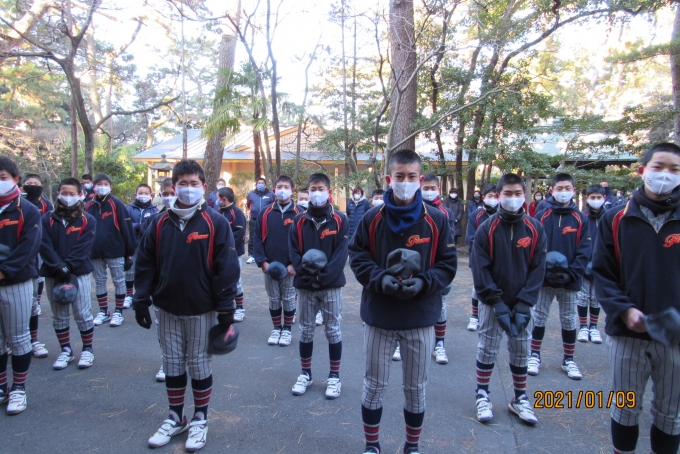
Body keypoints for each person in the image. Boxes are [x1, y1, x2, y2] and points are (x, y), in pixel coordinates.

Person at [349, 149, 457, 454]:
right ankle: (372, 445)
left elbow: (447, 264)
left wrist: (424, 282)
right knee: (374, 385)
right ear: (389, 179)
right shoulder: (372, 218)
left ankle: (412, 446)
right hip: (380, 316)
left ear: (420, 180)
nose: (406, 182)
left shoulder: (437, 220)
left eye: (411, 176)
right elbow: (357, 256)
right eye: (400, 176)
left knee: (415, 388)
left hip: (419, 317)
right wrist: (378, 279)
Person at [133, 159, 240, 451]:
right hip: (167, 307)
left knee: (199, 363)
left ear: (204, 187)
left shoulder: (215, 222)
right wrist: (141, 300)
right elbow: (145, 264)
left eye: (194, 184)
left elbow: (227, 268)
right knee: (172, 363)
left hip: (202, 308)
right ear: (174, 186)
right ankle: (176, 417)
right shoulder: (158, 223)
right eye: (183, 184)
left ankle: (200, 418)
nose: (188, 189)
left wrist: (226, 310)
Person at [593, 142, 680, 454]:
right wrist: (625, 310)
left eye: (674, 169)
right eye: (658, 167)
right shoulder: (615, 219)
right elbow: (602, 272)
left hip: (675, 338)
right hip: (627, 335)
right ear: (643, 171)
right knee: (625, 408)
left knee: (670, 414)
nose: (665, 175)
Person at [471, 173, 546, 425]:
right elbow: (480, 269)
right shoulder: (486, 228)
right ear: (498, 195)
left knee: (521, 348)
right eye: (507, 194)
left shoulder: (535, 228)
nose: (513, 198)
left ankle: (520, 397)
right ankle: (482, 394)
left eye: (517, 194)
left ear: (524, 196)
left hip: (521, 303)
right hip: (492, 302)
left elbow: (538, 268)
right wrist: (496, 302)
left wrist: (525, 303)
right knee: (487, 346)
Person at [289, 173, 349, 399]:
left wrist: (322, 277)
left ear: (329, 192)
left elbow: (341, 255)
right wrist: (307, 276)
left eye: (320, 189)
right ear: (307, 191)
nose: (316, 193)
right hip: (305, 286)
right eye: (312, 189)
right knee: (305, 329)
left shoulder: (340, 220)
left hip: (331, 285)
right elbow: (294, 253)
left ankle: (334, 376)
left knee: (333, 329)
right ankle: (305, 373)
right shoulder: (298, 221)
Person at [530, 173, 591, 380]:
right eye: (559, 188)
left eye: (567, 188)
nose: (563, 192)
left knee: (569, 318)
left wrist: (571, 274)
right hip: (544, 279)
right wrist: (542, 272)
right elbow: (534, 247)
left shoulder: (581, 219)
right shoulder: (541, 216)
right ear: (552, 190)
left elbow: (584, 251)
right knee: (539, 316)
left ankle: (568, 359)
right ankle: (534, 355)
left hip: (570, 279)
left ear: (574, 190)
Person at [39, 178, 97, 370]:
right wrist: (58, 266)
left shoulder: (88, 220)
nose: (68, 197)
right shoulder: (47, 220)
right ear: (58, 194)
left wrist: (68, 266)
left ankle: (87, 349)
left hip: (78, 273)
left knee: (82, 313)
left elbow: (83, 247)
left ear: (81, 195)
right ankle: (66, 350)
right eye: (64, 193)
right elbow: (44, 245)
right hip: (53, 273)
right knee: (59, 315)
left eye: (72, 194)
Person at [0, 156, 42, 415]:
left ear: (16, 179)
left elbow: (29, 248)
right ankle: (1, 386)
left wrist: (4, 271)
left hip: (17, 282)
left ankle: (18, 388)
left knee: (18, 337)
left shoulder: (28, 210)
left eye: (2, 178)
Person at [406, 173, 455, 365]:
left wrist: (444, 274)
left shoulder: (446, 213)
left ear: (439, 189)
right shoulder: (412, 211)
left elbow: (449, 244)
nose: (428, 192)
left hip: (436, 270)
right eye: (425, 188)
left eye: (432, 188)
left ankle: (439, 344)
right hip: (414, 266)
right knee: (408, 303)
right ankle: (402, 342)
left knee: (440, 308)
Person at [253, 176, 300, 347]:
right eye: (279, 186)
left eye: (286, 187)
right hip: (270, 266)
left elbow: (305, 241)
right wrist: (262, 262)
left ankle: (287, 329)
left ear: (292, 190)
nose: (282, 190)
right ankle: (276, 328)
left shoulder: (299, 213)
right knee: (273, 298)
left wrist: (295, 264)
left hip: (290, 268)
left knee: (288, 298)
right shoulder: (265, 213)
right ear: (274, 190)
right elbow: (257, 238)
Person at [85, 173, 136, 327]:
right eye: (99, 184)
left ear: (110, 186)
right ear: (94, 187)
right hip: (95, 251)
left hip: (115, 250)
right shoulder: (88, 206)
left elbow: (126, 228)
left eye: (105, 184)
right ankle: (103, 311)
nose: (102, 187)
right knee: (100, 281)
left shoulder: (116, 204)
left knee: (119, 280)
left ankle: (118, 312)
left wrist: (129, 252)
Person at [140, 178, 176, 382]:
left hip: (189, 289)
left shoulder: (199, 220)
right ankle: (167, 360)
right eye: (166, 194)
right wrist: (142, 296)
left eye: (173, 193)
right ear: (160, 195)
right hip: (161, 287)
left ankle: (186, 360)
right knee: (163, 328)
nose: (170, 197)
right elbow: (145, 259)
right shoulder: (154, 221)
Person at [20, 173, 53, 359]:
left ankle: (33, 340)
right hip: (11, 261)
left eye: (36, 183)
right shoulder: (14, 204)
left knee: (32, 302)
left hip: (34, 256)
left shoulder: (45, 205)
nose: (32, 186)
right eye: (29, 183)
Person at [465, 184, 499, 332]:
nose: (493, 199)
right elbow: (471, 238)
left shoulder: (503, 216)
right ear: (484, 198)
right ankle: (474, 317)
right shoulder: (475, 216)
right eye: (490, 196)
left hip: (499, 260)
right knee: (477, 289)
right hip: (479, 259)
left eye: (495, 196)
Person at [577, 184, 606, 344]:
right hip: (584, 265)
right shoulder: (582, 218)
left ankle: (593, 327)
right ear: (587, 198)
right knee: (583, 297)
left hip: (601, 266)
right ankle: (583, 327)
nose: (596, 200)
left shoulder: (608, 217)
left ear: (604, 198)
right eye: (593, 197)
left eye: (598, 197)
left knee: (596, 298)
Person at [124, 184, 158, 309]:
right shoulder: (128, 208)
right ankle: (129, 295)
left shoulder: (155, 210)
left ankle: (143, 293)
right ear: (136, 195)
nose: (143, 196)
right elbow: (125, 224)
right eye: (141, 193)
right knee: (130, 271)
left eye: (146, 193)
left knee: (145, 270)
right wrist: (137, 226)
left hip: (147, 246)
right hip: (132, 244)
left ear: (151, 195)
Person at [217, 187, 247, 322]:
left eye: (218, 198)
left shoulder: (237, 213)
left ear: (224, 199)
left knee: (236, 281)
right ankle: (225, 307)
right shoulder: (218, 213)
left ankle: (240, 308)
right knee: (221, 280)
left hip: (234, 253)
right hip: (219, 253)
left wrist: (224, 244)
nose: (217, 201)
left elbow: (239, 234)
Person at [246, 178, 275, 264]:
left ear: (265, 185)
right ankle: (252, 255)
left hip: (267, 219)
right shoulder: (251, 194)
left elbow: (274, 205)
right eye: (259, 183)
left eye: (262, 183)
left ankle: (266, 255)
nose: (260, 184)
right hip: (254, 219)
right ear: (256, 184)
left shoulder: (271, 195)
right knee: (252, 237)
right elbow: (249, 205)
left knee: (267, 237)